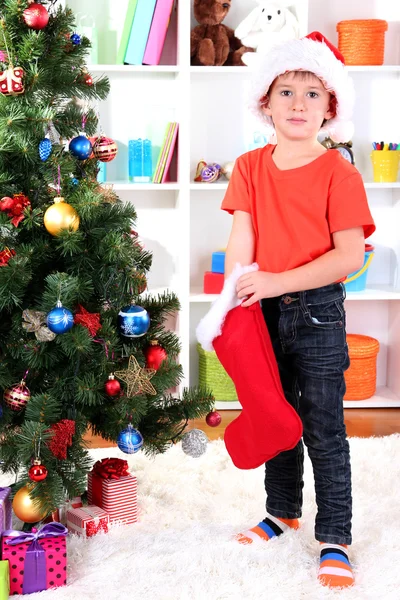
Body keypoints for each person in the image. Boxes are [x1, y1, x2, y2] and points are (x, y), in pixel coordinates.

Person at [221, 31, 375, 588]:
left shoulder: (339, 172)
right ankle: (281, 510)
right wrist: (233, 297)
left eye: (313, 94)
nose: (298, 105)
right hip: (260, 308)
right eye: (286, 92)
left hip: (316, 313)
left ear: (331, 108)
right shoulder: (248, 167)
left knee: (323, 426)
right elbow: (242, 239)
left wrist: (275, 280)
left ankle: (334, 536)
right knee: (275, 416)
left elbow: (348, 256)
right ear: (266, 103)